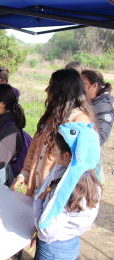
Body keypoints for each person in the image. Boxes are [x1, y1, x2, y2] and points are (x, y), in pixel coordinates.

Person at [12, 68, 97, 197]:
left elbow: (74, 166)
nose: (47, 90)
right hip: (37, 192)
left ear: (63, 89)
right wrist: (25, 173)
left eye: (51, 86)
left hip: (53, 195)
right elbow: (34, 147)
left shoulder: (79, 121)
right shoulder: (53, 114)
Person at [33, 124, 101, 260]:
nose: (52, 151)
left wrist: (38, 203)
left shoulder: (68, 191)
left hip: (53, 250)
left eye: (55, 149)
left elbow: (46, 231)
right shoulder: (86, 178)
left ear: (66, 155)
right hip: (70, 242)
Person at [81, 70, 113, 145]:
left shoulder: (104, 108)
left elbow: (100, 138)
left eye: (83, 84)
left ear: (94, 86)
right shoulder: (86, 102)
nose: (79, 87)